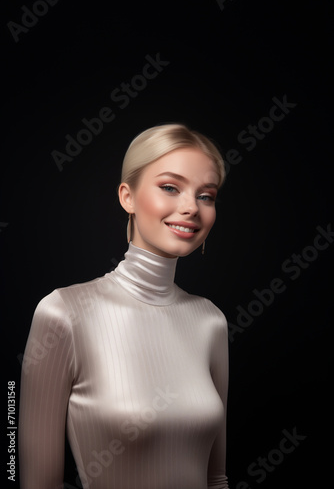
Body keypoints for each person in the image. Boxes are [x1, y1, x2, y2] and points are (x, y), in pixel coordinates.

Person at [18, 123, 230, 489]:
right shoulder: (64, 313)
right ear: (127, 196)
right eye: (170, 187)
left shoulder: (209, 321)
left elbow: (216, 478)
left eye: (206, 196)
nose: (190, 207)